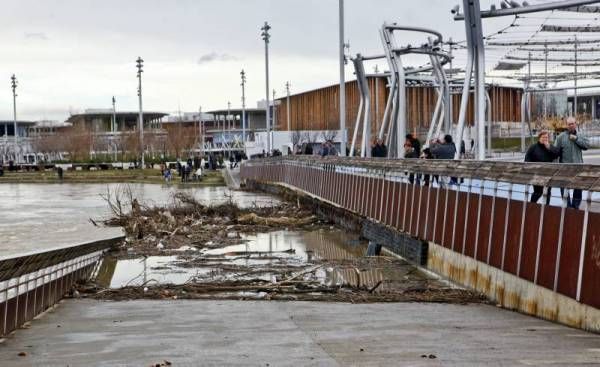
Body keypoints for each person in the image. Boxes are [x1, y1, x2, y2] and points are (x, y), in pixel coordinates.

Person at [554, 117, 590, 209]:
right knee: (564, 187)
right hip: (565, 168)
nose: (571, 125)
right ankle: (568, 206)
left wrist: (576, 139)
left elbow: (587, 146)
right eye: (569, 124)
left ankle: (575, 206)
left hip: (578, 167)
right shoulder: (561, 137)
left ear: (575, 124)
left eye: (572, 123)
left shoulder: (580, 135)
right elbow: (555, 152)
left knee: (578, 187)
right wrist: (556, 166)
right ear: (566, 125)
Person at [525, 130, 560, 204]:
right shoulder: (533, 147)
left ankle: (547, 208)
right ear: (539, 138)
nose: (545, 139)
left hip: (548, 174)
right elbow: (527, 160)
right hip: (537, 174)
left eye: (546, 137)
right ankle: (532, 204)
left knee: (548, 192)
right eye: (543, 137)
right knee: (538, 192)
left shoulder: (550, 147)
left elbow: (556, 154)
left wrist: (549, 148)